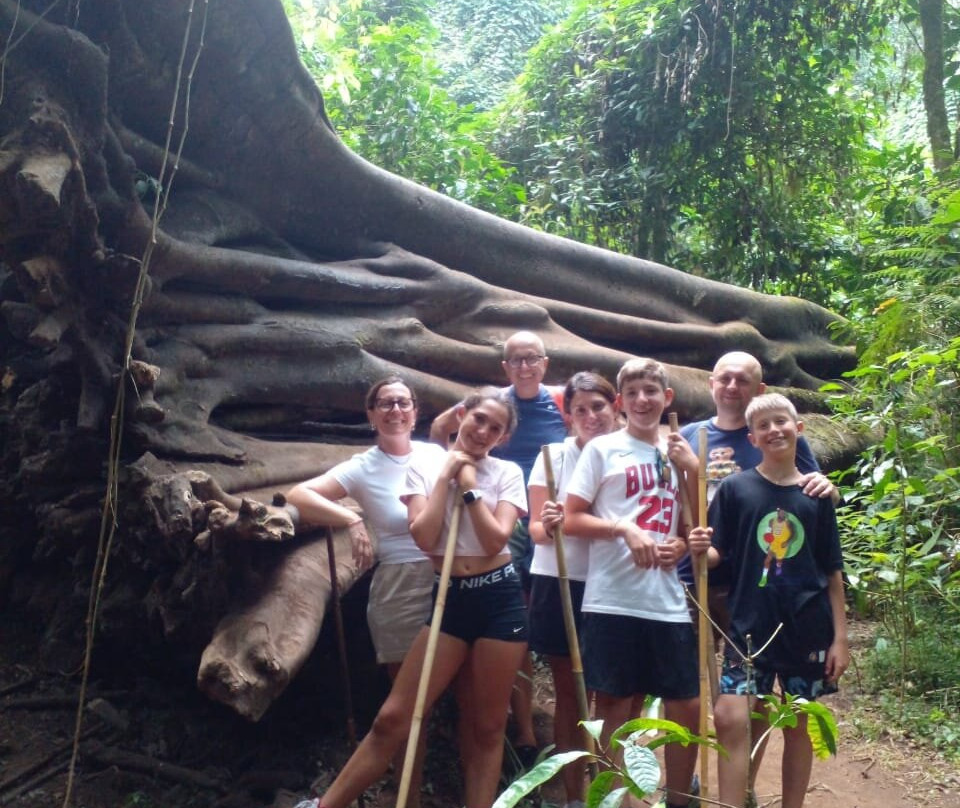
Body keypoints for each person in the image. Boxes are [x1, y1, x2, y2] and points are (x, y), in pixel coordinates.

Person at [318, 388, 529, 808]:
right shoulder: (421, 469)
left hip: (500, 600)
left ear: (503, 437)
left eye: (496, 428)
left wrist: (469, 489)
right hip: (449, 600)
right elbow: (424, 535)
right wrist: (445, 478)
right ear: (462, 415)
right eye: (479, 419)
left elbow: (493, 540)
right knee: (392, 718)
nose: (484, 431)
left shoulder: (506, 473)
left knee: (487, 727)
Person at [285, 376, 447, 806]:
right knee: (410, 706)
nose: (395, 410)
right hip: (399, 584)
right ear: (371, 414)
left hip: (454, 577)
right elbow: (300, 495)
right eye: (385, 404)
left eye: (403, 403)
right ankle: (406, 796)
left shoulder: (436, 455)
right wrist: (351, 518)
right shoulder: (363, 466)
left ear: (416, 411)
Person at [687, 393, 849, 808]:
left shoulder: (816, 494)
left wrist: (841, 639)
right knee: (732, 716)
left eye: (782, 421)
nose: (774, 429)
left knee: (797, 723)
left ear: (799, 429)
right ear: (752, 437)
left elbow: (832, 570)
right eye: (763, 426)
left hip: (807, 626)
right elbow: (717, 554)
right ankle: (734, 801)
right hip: (750, 624)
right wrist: (698, 546)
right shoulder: (737, 489)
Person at [564, 358, 700, 808]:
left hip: (667, 601)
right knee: (619, 711)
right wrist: (623, 529)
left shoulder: (680, 453)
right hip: (613, 600)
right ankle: (615, 803)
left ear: (667, 398)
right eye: (634, 392)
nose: (644, 400)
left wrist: (692, 477)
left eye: (652, 391)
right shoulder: (603, 450)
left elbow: (694, 531)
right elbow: (571, 518)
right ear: (621, 401)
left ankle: (680, 798)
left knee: (687, 708)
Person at [430, 330, 567, 762]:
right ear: (504, 367)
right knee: (512, 620)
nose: (525, 366)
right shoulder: (493, 404)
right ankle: (515, 728)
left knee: (520, 621)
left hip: (537, 515)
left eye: (532, 359)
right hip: (498, 514)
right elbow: (439, 429)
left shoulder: (561, 401)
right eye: (515, 360)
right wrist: (451, 468)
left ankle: (532, 727)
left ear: (545, 363)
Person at [527, 372, 620, 808]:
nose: (590, 417)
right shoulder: (551, 456)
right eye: (579, 409)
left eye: (597, 407)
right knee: (569, 691)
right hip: (559, 581)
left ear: (614, 405)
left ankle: (609, 791)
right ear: (568, 414)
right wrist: (548, 525)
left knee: (611, 693)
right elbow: (535, 531)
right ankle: (573, 797)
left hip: (615, 581)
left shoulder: (629, 453)